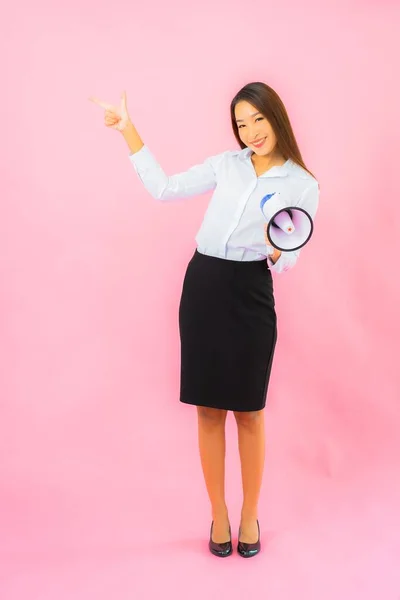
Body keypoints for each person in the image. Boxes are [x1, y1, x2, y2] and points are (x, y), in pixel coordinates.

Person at [90, 82, 319, 559]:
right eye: (241, 123)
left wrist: (280, 251)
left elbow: (291, 253)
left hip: (251, 291)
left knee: (249, 411)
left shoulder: (302, 184)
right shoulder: (226, 164)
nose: (251, 132)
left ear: (276, 117)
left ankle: (250, 514)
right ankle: (218, 512)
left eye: (258, 119)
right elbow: (164, 188)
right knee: (209, 409)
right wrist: (128, 130)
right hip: (205, 286)